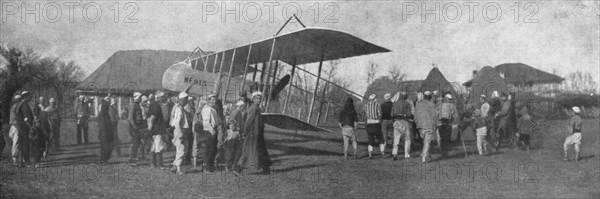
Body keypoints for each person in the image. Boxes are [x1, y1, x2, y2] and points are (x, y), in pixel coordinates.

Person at [235, 91, 272, 175]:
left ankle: (266, 169)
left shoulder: (257, 108)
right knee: (248, 152)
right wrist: (244, 133)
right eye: (257, 98)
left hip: (258, 134)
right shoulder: (254, 108)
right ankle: (237, 170)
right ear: (253, 99)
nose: (258, 100)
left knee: (262, 151)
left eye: (260, 98)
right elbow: (248, 121)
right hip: (252, 134)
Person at [169, 92, 190, 175]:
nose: (187, 101)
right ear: (183, 100)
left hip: (180, 130)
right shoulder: (179, 109)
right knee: (181, 149)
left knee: (180, 149)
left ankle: (174, 166)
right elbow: (177, 123)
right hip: (179, 131)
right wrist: (180, 133)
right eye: (186, 100)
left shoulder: (179, 108)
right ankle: (178, 169)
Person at [414, 91, 437, 163]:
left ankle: (428, 156)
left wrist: (417, 124)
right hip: (429, 125)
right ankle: (424, 156)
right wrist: (435, 125)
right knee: (427, 142)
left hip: (420, 126)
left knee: (427, 141)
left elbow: (415, 116)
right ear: (430, 97)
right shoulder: (432, 104)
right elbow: (434, 116)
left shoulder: (418, 104)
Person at [201, 93, 221, 173]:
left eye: (215, 99)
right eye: (213, 99)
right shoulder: (207, 109)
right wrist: (212, 131)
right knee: (209, 150)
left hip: (213, 130)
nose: (214, 101)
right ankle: (206, 167)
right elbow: (206, 122)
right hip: (209, 131)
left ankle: (210, 166)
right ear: (209, 100)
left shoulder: (212, 108)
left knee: (212, 149)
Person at [224, 99, 246, 171]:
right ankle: (228, 165)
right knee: (231, 151)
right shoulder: (235, 112)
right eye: (243, 106)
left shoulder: (239, 112)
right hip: (233, 134)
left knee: (236, 151)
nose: (244, 108)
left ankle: (232, 165)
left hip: (237, 134)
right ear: (240, 106)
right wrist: (235, 128)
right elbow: (231, 122)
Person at [391, 91, 413, 160]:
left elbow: (391, 114)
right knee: (407, 139)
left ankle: (395, 153)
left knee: (396, 139)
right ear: (405, 97)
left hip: (397, 122)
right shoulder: (407, 103)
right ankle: (406, 154)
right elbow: (409, 114)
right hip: (405, 121)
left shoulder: (394, 104)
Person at [148, 91, 167, 169]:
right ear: (158, 97)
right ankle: (159, 164)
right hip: (157, 129)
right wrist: (150, 126)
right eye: (163, 97)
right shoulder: (156, 105)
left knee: (153, 146)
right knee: (158, 147)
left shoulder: (154, 104)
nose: (164, 98)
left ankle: (153, 164)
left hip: (154, 129)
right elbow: (153, 117)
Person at [16, 91, 34, 167]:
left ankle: (21, 161)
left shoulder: (18, 104)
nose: (30, 97)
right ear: (25, 96)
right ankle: (26, 161)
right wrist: (30, 125)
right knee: (26, 144)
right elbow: (27, 117)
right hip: (24, 126)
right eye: (29, 96)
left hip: (20, 126)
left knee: (21, 144)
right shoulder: (24, 104)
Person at [437, 93, 459, 158]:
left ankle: (443, 153)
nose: (450, 100)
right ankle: (445, 153)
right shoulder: (452, 106)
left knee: (442, 138)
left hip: (441, 124)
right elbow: (456, 115)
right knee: (447, 139)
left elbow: (436, 114)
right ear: (446, 99)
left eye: (450, 99)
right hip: (448, 124)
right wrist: (455, 121)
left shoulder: (439, 105)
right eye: (449, 99)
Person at [364, 94, 385, 158]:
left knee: (370, 139)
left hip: (369, 123)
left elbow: (364, 115)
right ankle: (382, 153)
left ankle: (370, 153)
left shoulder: (366, 105)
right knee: (381, 139)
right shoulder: (377, 104)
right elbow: (380, 114)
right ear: (374, 99)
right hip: (376, 123)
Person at [128, 92, 147, 163]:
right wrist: (135, 127)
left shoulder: (136, 104)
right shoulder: (133, 105)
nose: (141, 98)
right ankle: (132, 160)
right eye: (140, 97)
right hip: (134, 127)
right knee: (135, 143)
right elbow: (130, 118)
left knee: (137, 143)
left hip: (137, 126)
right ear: (137, 98)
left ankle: (133, 158)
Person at [97, 96, 113, 164]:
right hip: (104, 133)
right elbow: (102, 126)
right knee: (105, 147)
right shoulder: (103, 115)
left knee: (106, 147)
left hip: (106, 133)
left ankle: (104, 159)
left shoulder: (105, 114)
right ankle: (103, 159)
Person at [8, 95, 22, 166]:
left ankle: (17, 159)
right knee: (16, 142)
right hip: (16, 126)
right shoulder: (16, 107)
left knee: (16, 142)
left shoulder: (14, 106)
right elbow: (14, 118)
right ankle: (15, 159)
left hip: (14, 126)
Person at [184, 96, 196, 165]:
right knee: (187, 144)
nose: (192, 102)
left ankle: (190, 158)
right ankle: (187, 159)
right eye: (191, 101)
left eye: (192, 101)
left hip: (192, 127)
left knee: (191, 143)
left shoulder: (193, 108)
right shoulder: (186, 108)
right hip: (187, 127)